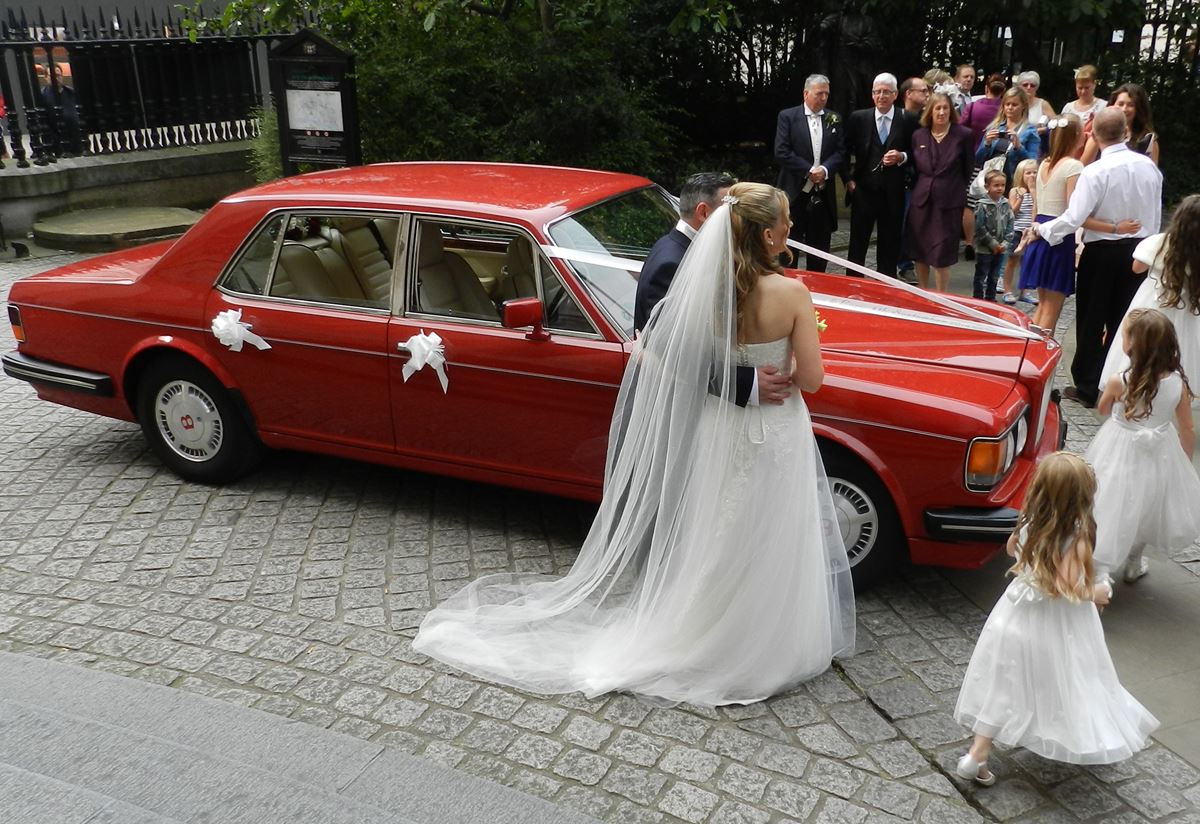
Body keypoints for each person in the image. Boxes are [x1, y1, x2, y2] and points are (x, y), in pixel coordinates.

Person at [413, 182, 856, 707]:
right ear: (765, 235)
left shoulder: (710, 287)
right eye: (785, 221)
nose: (791, 228)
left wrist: (746, 374)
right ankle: (765, 640)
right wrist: (784, 363)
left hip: (721, 427)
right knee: (771, 525)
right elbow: (812, 380)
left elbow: (680, 349)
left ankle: (703, 629)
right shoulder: (792, 294)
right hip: (776, 424)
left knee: (719, 525)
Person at [953, 452, 1157, 785]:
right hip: (1055, 624)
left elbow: (1011, 549)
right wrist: (1098, 591)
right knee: (1071, 674)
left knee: (1003, 681)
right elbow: (1064, 586)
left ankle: (977, 754)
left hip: (1014, 613)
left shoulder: (1029, 522)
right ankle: (1073, 730)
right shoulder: (1075, 537)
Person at [1036, 108, 1161, 407]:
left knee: (1091, 319)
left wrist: (1043, 229)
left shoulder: (1095, 171)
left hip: (1102, 251)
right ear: (1126, 132)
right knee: (1123, 319)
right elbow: (1155, 216)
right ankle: (1116, 379)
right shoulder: (1149, 167)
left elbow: (1075, 217)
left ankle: (1088, 385)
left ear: (1093, 134)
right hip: (1137, 250)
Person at [635, 171, 792, 408]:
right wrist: (747, 383)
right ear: (703, 213)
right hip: (679, 404)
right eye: (732, 211)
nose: (740, 218)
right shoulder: (672, 263)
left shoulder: (689, 250)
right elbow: (671, 349)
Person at [1088, 309, 1200, 586]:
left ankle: (1101, 568)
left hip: (1118, 447)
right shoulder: (1178, 384)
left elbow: (1103, 409)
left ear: (1132, 345)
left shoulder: (1119, 380)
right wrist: (1184, 462)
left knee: (1110, 501)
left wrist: (1117, 405)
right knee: (1148, 504)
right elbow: (1187, 428)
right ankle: (1134, 561)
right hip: (1161, 451)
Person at [1100, 195, 1200, 395]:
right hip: (1186, 306)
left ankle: (1134, 385)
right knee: (1182, 347)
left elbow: (1137, 268)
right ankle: (1170, 395)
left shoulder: (1159, 242)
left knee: (1141, 341)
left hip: (1152, 301)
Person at [842, 73, 915, 279]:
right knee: (857, 244)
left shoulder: (908, 119)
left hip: (894, 192)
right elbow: (843, 150)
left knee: (890, 245)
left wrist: (902, 156)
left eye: (886, 92)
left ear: (895, 95)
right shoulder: (859, 118)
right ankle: (853, 285)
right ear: (872, 94)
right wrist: (848, 180)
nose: (881, 96)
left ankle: (885, 286)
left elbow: (918, 152)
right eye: (877, 92)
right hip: (863, 190)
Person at [1017, 115, 1084, 333]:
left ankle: (1029, 345)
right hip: (1057, 235)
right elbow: (1072, 209)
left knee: (1044, 304)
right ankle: (1041, 349)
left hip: (1040, 229)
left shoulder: (1044, 164)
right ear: (1076, 136)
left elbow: (1038, 204)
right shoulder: (1073, 166)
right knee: (1051, 308)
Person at [775, 74, 845, 272]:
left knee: (820, 248)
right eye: (819, 93)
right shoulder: (788, 117)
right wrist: (808, 171)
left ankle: (817, 284)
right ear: (806, 94)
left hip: (822, 193)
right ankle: (787, 284)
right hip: (794, 194)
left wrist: (825, 170)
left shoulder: (834, 118)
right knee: (789, 247)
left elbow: (841, 152)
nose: (823, 98)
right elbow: (781, 151)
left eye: (826, 94)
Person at [908, 92, 974, 292]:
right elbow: (915, 168)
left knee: (942, 253)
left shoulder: (963, 135)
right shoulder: (919, 135)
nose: (942, 112)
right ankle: (922, 292)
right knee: (920, 251)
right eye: (937, 108)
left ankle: (941, 296)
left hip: (949, 201)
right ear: (930, 111)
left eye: (945, 108)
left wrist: (952, 188)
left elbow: (968, 168)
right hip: (922, 202)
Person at [960, 73, 1008, 253]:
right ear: (1003, 90)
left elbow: (961, 130)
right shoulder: (1005, 109)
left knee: (970, 202)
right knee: (995, 200)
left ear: (986, 87)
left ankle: (969, 242)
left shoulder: (973, 107)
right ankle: (993, 242)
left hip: (975, 159)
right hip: (998, 162)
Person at [1082, 83, 1158, 166]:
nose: (1124, 109)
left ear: (1139, 108)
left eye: (1131, 105)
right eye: (1120, 104)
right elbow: (1084, 165)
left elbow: (1151, 170)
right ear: (1112, 105)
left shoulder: (1147, 141)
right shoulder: (1100, 132)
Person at [971, 170, 1013, 301]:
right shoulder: (982, 205)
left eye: (1002, 185)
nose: (1000, 188)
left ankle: (991, 298)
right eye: (996, 185)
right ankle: (978, 299)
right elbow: (979, 227)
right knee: (981, 274)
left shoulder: (1006, 204)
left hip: (1001, 248)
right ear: (987, 187)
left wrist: (1005, 243)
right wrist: (993, 244)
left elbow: (1011, 222)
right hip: (985, 248)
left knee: (994, 275)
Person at [1000, 159, 1037, 305]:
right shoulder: (1015, 191)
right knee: (1012, 261)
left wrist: (1033, 190)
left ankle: (1025, 291)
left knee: (1027, 262)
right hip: (1016, 231)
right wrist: (1020, 198)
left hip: (1031, 232)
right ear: (1021, 175)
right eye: (1028, 173)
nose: (1032, 175)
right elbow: (1012, 213)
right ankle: (1007, 290)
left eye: (1035, 172)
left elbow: (1039, 207)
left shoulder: (1038, 191)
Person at [1016, 71, 1056, 156]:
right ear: (1019, 86)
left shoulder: (1043, 104)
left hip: (1037, 148)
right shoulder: (1014, 104)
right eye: (1025, 85)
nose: (1029, 87)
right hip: (1015, 145)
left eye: (1032, 85)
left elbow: (1056, 124)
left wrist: (1045, 129)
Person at [1061, 65, 1106, 134]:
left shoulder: (1103, 106)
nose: (1083, 91)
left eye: (1087, 88)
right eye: (1080, 88)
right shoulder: (1068, 107)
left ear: (1094, 85)